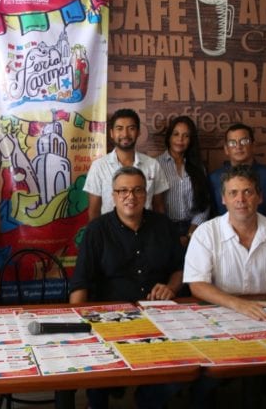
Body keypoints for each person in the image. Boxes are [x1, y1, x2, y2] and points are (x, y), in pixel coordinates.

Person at [70, 166, 184, 408]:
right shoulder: (97, 230)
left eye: (137, 190)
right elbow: (80, 281)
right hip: (110, 320)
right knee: (99, 379)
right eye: (123, 191)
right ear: (113, 195)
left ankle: (146, 398)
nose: (130, 197)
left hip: (158, 316)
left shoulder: (164, 226)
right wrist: (79, 328)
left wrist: (171, 288)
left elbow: (180, 268)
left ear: (146, 194)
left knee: (180, 371)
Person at [185, 165, 266, 321]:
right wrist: (239, 305)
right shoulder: (205, 233)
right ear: (223, 199)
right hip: (220, 310)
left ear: (260, 197)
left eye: (247, 192)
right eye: (233, 193)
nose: (241, 200)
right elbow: (197, 285)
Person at [83, 108, 168, 221]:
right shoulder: (99, 166)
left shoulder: (153, 165)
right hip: (110, 230)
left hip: (146, 229)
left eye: (131, 128)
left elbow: (159, 207)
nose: (125, 134)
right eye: (119, 128)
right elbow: (94, 211)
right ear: (112, 133)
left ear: (138, 132)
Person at [156, 116, 210, 246]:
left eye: (186, 136)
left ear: (191, 140)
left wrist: (190, 234)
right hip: (164, 229)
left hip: (195, 228)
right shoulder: (156, 165)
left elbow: (204, 203)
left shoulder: (198, 166)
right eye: (176, 134)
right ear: (169, 137)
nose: (180, 139)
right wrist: (169, 233)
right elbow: (155, 205)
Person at [208, 123, 266, 219]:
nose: (238, 146)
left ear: (253, 146)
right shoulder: (214, 179)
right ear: (226, 149)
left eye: (244, 141)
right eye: (232, 143)